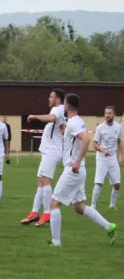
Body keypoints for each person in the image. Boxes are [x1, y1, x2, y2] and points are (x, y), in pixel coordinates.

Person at [48, 93, 117, 247]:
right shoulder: (76, 121)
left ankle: (56, 242)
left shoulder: (73, 123)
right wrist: (62, 132)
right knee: (79, 207)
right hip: (78, 170)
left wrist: (77, 162)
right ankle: (109, 226)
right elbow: (75, 141)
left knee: (54, 203)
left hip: (73, 170)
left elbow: (86, 140)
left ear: (66, 106)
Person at [20, 88, 66, 227]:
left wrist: (35, 116)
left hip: (52, 152)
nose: (49, 99)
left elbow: (51, 118)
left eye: (51, 97)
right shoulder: (60, 110)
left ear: (57, 99)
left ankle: (47, 213)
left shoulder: (57, 109)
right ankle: (34, 212)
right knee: (41, 180)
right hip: (48, 151)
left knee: (45, 180)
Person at [90, 106, 123, 210]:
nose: (107, 115)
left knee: (117, 184)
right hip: (102, 158)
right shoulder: (100, 127)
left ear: (114, 115)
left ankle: (112, 205)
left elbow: (119, 142)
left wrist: (122, 156)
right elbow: (94, 145)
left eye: (110, 113)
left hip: (113, 158)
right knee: (99, 182)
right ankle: (93, 205)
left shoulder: (118, 127)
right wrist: (104, 151)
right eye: (106, 113)